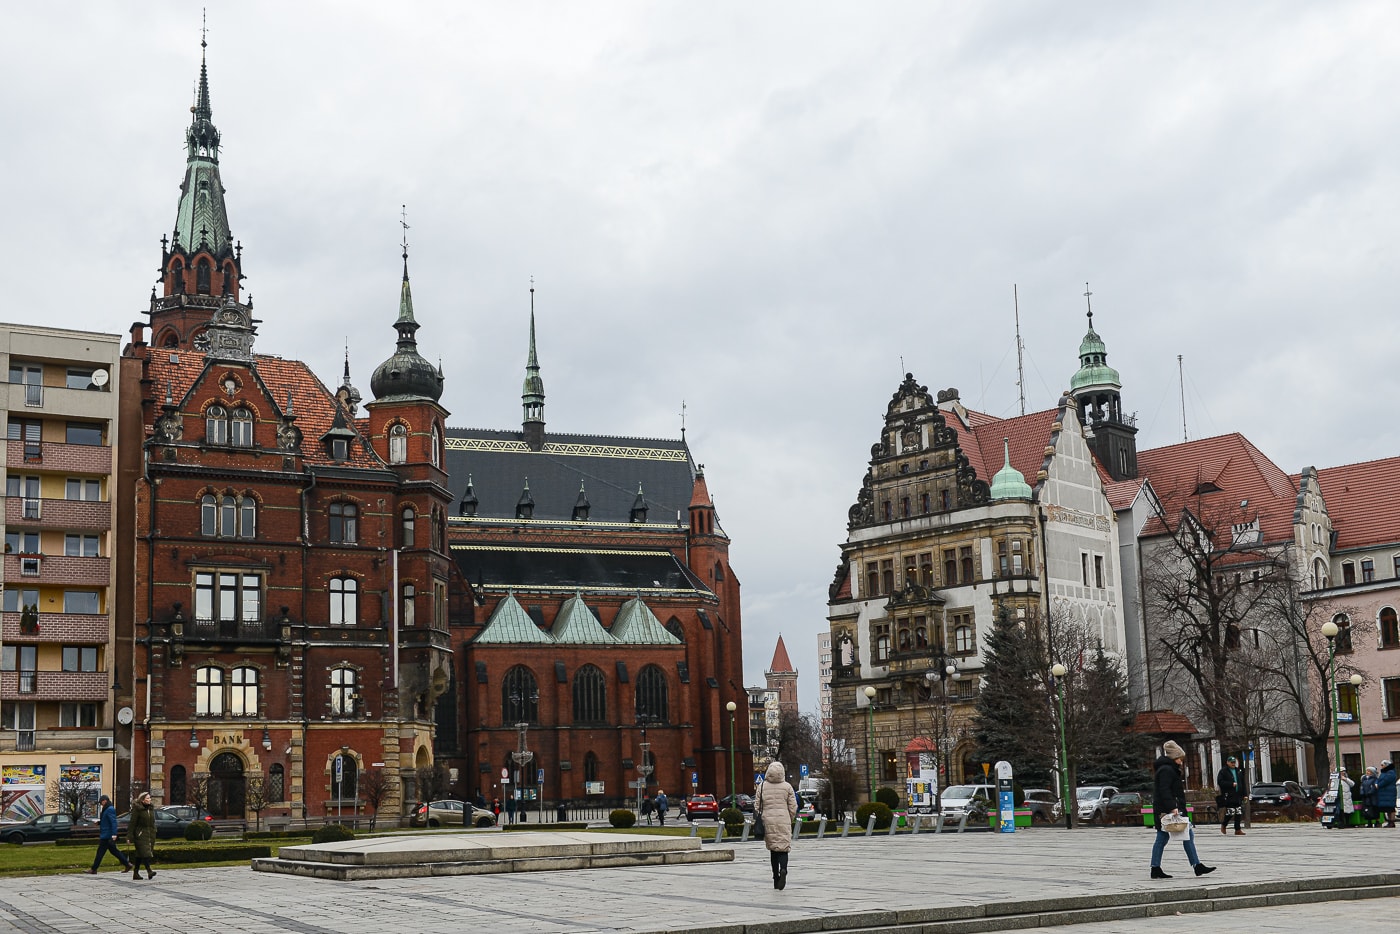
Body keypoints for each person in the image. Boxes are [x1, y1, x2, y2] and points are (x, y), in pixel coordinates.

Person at [1150, 740, 1215, 880]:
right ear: (1174, 757)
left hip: (1168, 808)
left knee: (1170, 837)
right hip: (1168, 810)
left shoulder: (1166, 769)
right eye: (1180, 758)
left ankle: (1157, 868)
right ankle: (1195, 866)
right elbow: (1165, 790)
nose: (1181, 761)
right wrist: (1172, 807)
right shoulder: (1167, 770)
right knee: (1172, 837)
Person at [754, 761, 798, 890]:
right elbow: (793, 806)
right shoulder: (787, 787)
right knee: (783, 848)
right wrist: (789, 817)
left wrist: (761, 817)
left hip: (768, 820)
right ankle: (783, 869)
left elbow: (757, 806)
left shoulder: (762, 786)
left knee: (773, 849)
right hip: (784, 819)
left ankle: (775, 878)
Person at [86, 795, 131, 874]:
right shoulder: (107, 808)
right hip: (107, 834)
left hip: (107, 835)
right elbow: (106, 821)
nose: (101, 804)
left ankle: (94, 869)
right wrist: (99, 822)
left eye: (101, 802)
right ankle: (127, 864)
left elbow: (113, 822)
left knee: (100, 852)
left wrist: (114, 834)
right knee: (114, 851)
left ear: (105, 801)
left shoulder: (109, 809)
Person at [128, 792, 157, 881]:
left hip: (150, 834)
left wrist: (154, 830)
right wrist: (129, 836)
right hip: (140, 834)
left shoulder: (150, 809)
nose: (149, 800)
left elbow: (152, 822)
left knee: (140, 854)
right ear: (142, 800)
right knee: (145, 853)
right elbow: (132, 823)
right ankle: (149, 871)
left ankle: (136, 873)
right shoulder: (137, 810)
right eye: (147, 798)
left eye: (150, 798)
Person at [1216, 755, 1244, 836]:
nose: (1233, 764)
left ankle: (1237, 829)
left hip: (1238, 794)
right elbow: (1220, 782)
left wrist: (1244, 794)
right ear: (1227, 762)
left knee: (1238, 811)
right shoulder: (1223, 771)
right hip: (1229, 795)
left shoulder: (1238, 771)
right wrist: (1231, 784)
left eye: (1234, 762)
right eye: (1231, 762)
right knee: (1230, 811)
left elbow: (1242, 783)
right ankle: (1224, 825)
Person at [1375, 759, 1397, 828]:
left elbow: (1386, 780)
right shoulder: (1384, 772)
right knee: (1387, 808)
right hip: (1384, 793)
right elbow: (1379, 779)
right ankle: (1389, 821)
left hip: (1389, 792)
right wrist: (1376, 783)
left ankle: (1392, 822)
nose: (1381, 766)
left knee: (1390, 808)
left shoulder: (1391, 772)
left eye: (1382, 765)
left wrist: (1379, 785)